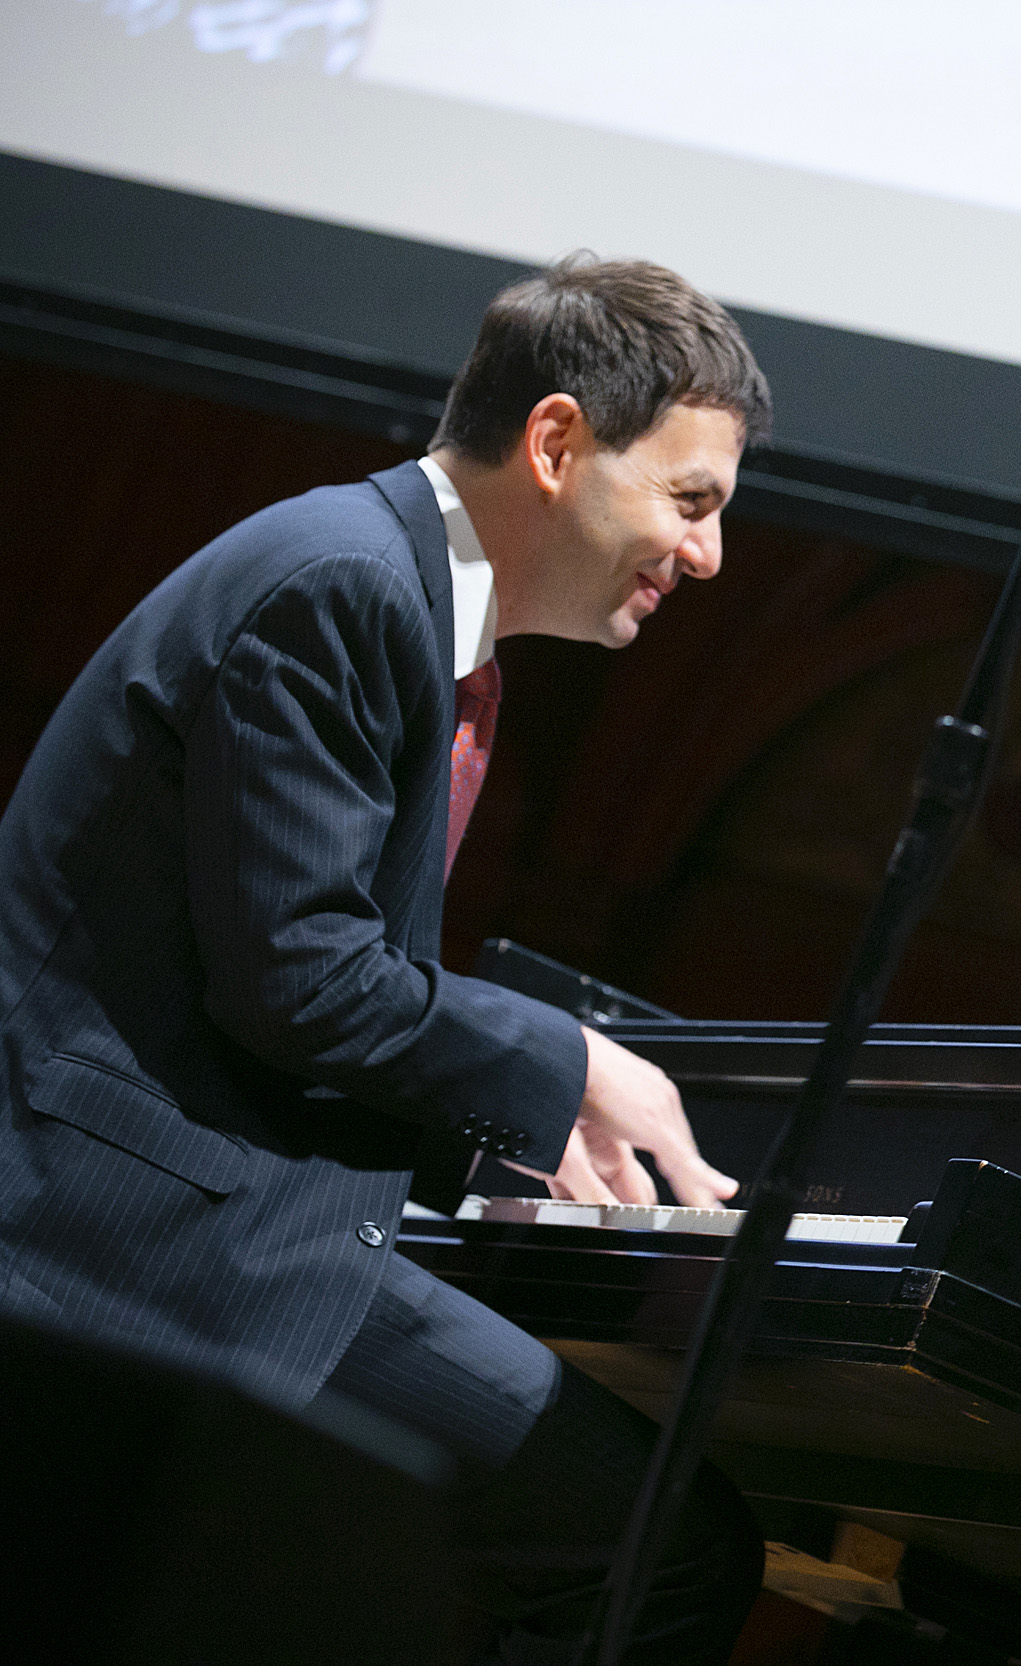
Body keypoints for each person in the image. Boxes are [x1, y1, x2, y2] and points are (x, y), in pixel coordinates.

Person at [0, 255, 772, 1661]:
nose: (710, 555)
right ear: (555, 444)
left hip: (200, 1198)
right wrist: (573, 1065)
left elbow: (280, 988)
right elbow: (302, 981)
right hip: (115, 1230)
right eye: (692, 499)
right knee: (662, 1549)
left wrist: (504, 1136)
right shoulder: (342, 586)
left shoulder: (403, 601)